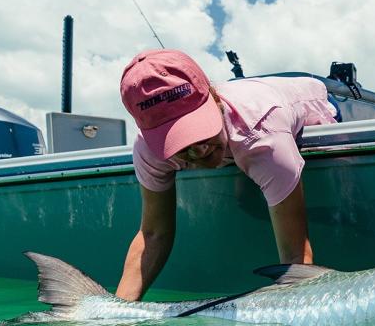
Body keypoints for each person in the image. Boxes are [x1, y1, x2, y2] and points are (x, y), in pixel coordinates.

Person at [115, 49, 339, 301]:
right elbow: (153, 233)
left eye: (198, 131)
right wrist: (119, 318)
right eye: (177, 143)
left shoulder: (264, 136)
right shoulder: (149, 150)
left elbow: (296, 259)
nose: (197, 152)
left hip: (318, 105)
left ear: (213, 97)